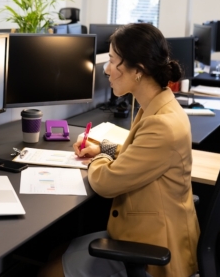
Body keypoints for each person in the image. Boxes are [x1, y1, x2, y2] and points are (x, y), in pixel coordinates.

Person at [39, 23, 199, 277]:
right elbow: (136, 152)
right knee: (57, 251)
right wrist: (102, 147)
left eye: (112, 61)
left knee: (48, 271)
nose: (107, 70)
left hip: (154, 247)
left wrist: (99, 159)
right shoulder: (157, 105)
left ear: (138, 70)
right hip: (148, 227)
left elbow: (107, 182)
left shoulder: (162, 124)